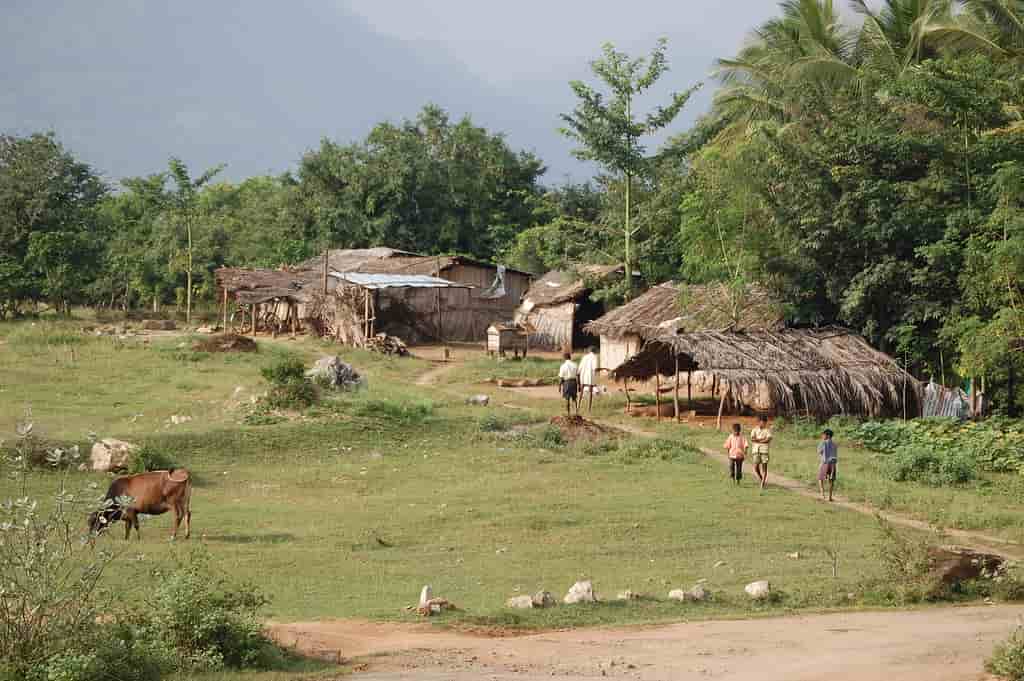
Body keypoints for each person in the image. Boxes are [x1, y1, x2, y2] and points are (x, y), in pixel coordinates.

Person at [750, 415, 773, 490]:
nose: (762, 423)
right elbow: (752, 439)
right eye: (761, 422)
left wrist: (758, 440)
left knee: (764, 467)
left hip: (764, 451)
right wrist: (763, 440)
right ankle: (761, 478)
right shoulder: (754, 430)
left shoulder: (767, 430)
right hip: (756, 450)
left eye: (764, 422)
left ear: (766, 423)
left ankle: (763, 483)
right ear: (758, 422)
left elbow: (768, 440)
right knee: (756, 467)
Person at [577, 346, 600, 413]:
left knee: (581, 391)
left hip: (583, 376)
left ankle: (578, 406)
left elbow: (580, 367)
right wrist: (601, 369)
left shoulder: (584, 357)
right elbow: (595, 368)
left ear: (589, 351)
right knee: (590, 392)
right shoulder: (595, 357)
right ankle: (589, 408)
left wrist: (578, 373)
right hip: (590, 376)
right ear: (595, 351)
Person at [818, 428, 838, 501]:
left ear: (828, 435)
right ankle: (830, 497)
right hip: (833, 464)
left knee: (820, 479)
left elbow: (819, 452)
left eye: (824, 434)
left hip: (825, 463)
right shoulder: (835, 444)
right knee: (831, 480)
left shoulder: (823, 443)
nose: (823, 436)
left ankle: (823, 495)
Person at [558, 352, 579, 417]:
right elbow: (578, 375)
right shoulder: (575, 364)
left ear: (564, 358)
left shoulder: (563, 366)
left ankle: (568, 413)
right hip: (574, 382)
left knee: (567, 399)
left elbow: (561, 377)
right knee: (574, 398)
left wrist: (559, 386)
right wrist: (579, 385)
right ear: (570, 357)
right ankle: (576, 412)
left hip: (566, 382)